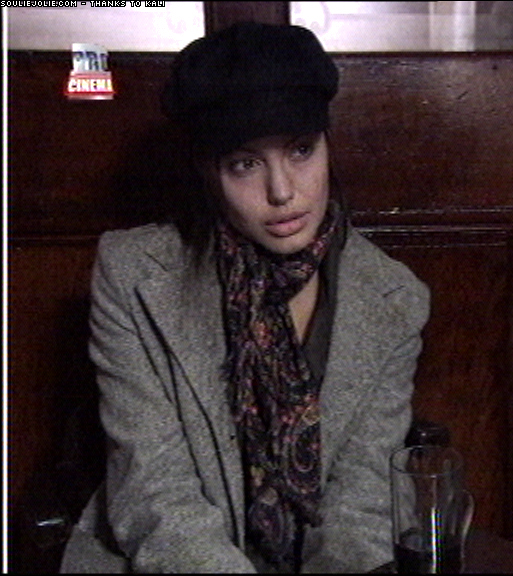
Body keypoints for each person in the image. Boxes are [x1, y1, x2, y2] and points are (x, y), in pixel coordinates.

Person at [60, 21, 430, 574]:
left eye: (301, 150)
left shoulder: (394, 299)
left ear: (328, 146)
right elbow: (155, 490)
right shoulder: (133, 274)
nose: (282, 192)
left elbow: (361, 504)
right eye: (245, 163)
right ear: (208, 171)